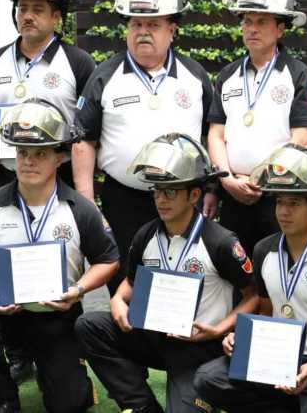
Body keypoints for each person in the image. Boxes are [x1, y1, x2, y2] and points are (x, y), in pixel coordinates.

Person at [75, 133, 257, 413]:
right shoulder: (146, 234)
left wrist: (219, 330)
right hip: (153, 335)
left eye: (170, 191)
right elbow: (130, 282)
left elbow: (253, 296)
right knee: (89, 325)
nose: (161, 199)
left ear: (194, 195)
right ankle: (142, 406)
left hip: (199, 346)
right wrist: (117, 301)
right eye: (157, 191)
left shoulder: (221, 242)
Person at [194, 144, 307, 412]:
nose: (283, 212)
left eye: (294, 203)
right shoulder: (264, 249)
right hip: (276, 358)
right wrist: (240, 335)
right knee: (208, 379)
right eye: (279, 202)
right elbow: (266, 311)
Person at [73, 0, 215, 294]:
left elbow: (212, 134)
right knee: (126, 279)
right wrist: (86, 201)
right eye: (136, 24)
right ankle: (127, 342)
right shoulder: (104, 75)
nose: (143, 32)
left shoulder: (195, 76)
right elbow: (84, 140)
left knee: (181, 275)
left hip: (183, 198)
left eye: (153, 24)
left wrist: (211, 189)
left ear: (172, 29)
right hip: (123, 201)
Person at [0, 98, 119, 413]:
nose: (29, 161)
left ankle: (56, 374)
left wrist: (77, 290)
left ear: (59, 158)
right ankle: (5, 395)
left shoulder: (80, 209)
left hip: (57, 318)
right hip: (2, 316)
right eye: (23, 153)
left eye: (40, 154)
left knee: (69, 402)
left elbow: (108, 260)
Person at [208, 0, 307, 258]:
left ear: (281, 28)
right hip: (234, 193)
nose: (252, 29)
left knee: (276, 270)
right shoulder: (227, 75)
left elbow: (302, 140)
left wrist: (260, 177)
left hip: (280, 196)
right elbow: (216, 134)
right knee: (239, 275)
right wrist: (226, 179)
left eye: (261, 22)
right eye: (247, 22)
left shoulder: (298, 75)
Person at [0, 0, 95, 188]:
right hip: (2, 177)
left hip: (60, 177)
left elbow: (89, 132)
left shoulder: (78, 62)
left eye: (37, 9)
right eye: (22, 9)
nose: (27, 16)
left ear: (56, 17)